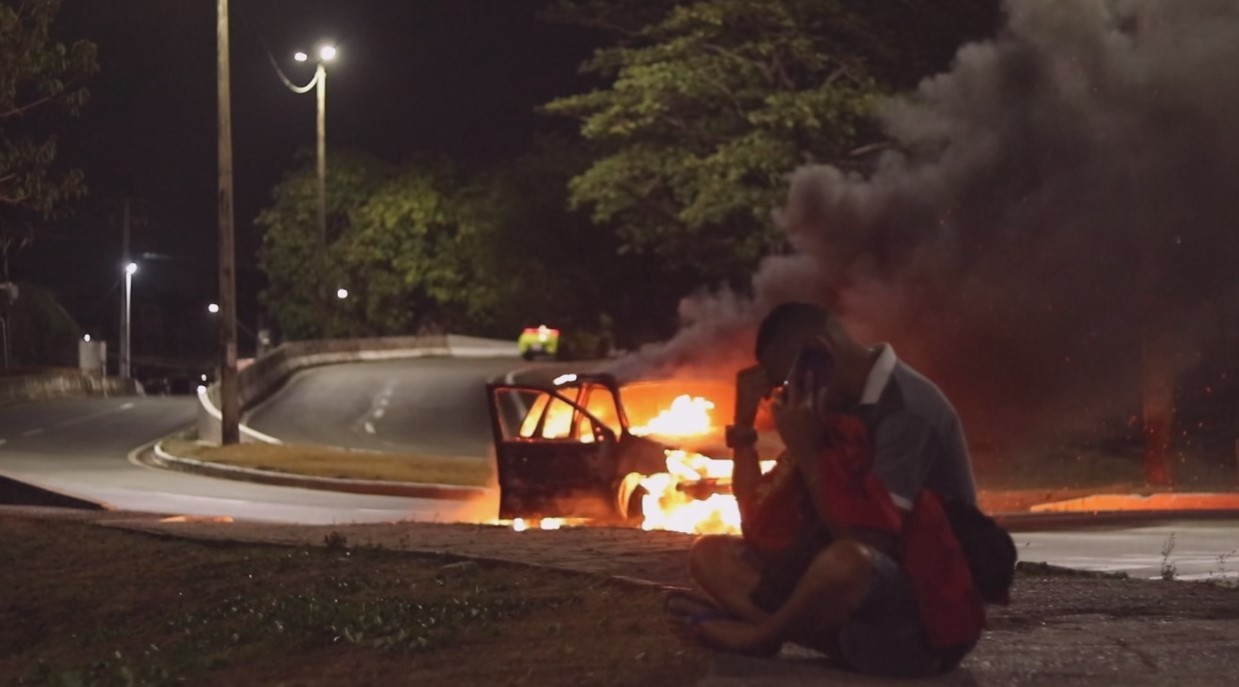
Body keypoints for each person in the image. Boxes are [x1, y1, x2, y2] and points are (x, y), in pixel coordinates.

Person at [667, 302, 986, 678]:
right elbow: (757, 521)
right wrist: (743, 428)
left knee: (845, 561)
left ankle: (759, 637)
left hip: (920, 617)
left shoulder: (907, 409)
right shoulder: (831, 401)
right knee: (710, 554)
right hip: (846, 599)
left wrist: (808, 450)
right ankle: (804, 631)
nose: (785, 396)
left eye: (787, 381)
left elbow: (869, 545)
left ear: (821, 354)